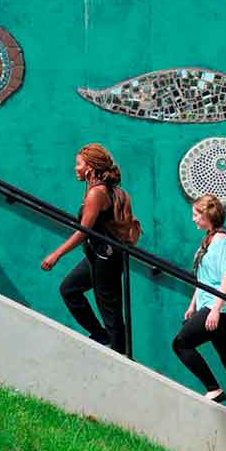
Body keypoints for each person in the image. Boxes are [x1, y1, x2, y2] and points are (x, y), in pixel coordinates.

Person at [40, 143, 131, 354]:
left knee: (110, 309)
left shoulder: (97, 193)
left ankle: (120, 356)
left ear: (90, 167)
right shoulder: (96, 189)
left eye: (78, 164)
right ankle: (100, 335)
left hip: (106, 259)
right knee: (69, 289)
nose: (75, 168)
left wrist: (56, 254)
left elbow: (84, 231)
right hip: (96, 255)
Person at [171, 193, 226, 415]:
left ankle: (213, 388)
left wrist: (215, 309)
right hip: (214, 307)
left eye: (196, 214)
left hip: (221, 309)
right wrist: (193, 304)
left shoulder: (222, 241)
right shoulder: (209, 239)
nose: (193, 219)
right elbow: (204, 278)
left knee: (181, 343)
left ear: (208, 215)